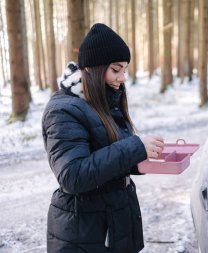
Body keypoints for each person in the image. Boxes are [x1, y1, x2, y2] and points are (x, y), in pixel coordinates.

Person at [42, 23, 164, 253]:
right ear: (93, 68)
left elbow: (109, 157)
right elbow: (73, 175)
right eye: (116, 69)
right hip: (84, 232)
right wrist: (133, 148)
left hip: (112, 223)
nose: (123, 78)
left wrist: (143, 157)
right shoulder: (63, 110)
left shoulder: (106, 100)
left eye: (125, 70)